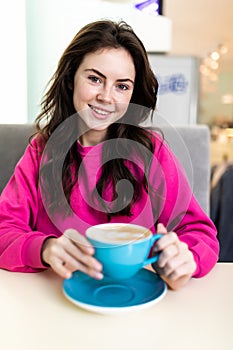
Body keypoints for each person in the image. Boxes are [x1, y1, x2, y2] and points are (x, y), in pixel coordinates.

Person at [0, 20, 219, 290]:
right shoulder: (40, 152)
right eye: (94, 79)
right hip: (55, 298)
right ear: (70, 80)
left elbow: (199, 233)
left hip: (137, 298)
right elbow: (4, 230)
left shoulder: (152, 153)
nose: (106, 97)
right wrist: (44, 248)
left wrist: (187, 258)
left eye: (122, 86)